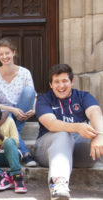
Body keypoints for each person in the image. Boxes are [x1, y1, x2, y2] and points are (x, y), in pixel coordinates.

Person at [35, 64, 103, 199]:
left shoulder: (83, 96)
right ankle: (58, 185)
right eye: (56, 82)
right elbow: (51, 124)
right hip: (48, 150)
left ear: (72, 81)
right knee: (62, 135)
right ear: (50, 84)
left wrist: (100, 136)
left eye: (65, 81)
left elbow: (95, 113)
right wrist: (77, 127)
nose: (61, 86)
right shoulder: (43, 99)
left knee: (98, 130)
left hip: (78, 152)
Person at [0, 38, 37, 167]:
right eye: (1, 54)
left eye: (7, 53)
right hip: (5, 111)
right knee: (6, 117)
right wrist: (12, 110)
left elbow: (33, 95)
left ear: (14, 53)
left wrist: (34, 108)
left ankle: (15, 140)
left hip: (22, 108)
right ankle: (25, 153)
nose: (5, 57)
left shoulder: (25, 72)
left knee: (28, 91)